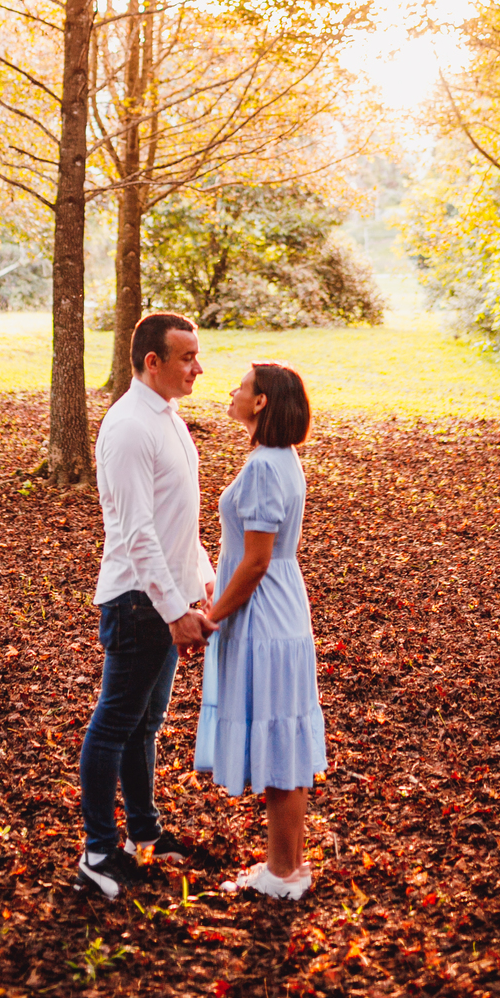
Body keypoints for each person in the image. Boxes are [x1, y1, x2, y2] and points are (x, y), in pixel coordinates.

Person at [77, 311, 216, 899]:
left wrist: (203, 580)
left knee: (144, 725)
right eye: (187, 357)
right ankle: (97, 853)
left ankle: (144, 835)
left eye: (197, 355)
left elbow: (176, 521)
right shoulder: (131, 426)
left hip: (166, 596)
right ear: (152, 362)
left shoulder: (167, 417)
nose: (198, 367)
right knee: (114, 725)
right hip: (139, 601)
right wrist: (174, 611)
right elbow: (136, 532)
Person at [194, 361, 327, 900]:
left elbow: (255, 562)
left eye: (242, 386)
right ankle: (287, 868)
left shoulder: (266, 467)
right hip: (278, 610)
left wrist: (213, 617)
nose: (231, 391)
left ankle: (282, 873)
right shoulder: (279, 459)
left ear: (262, 402)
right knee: (282, 738)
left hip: (264, 616)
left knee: (278, 741)